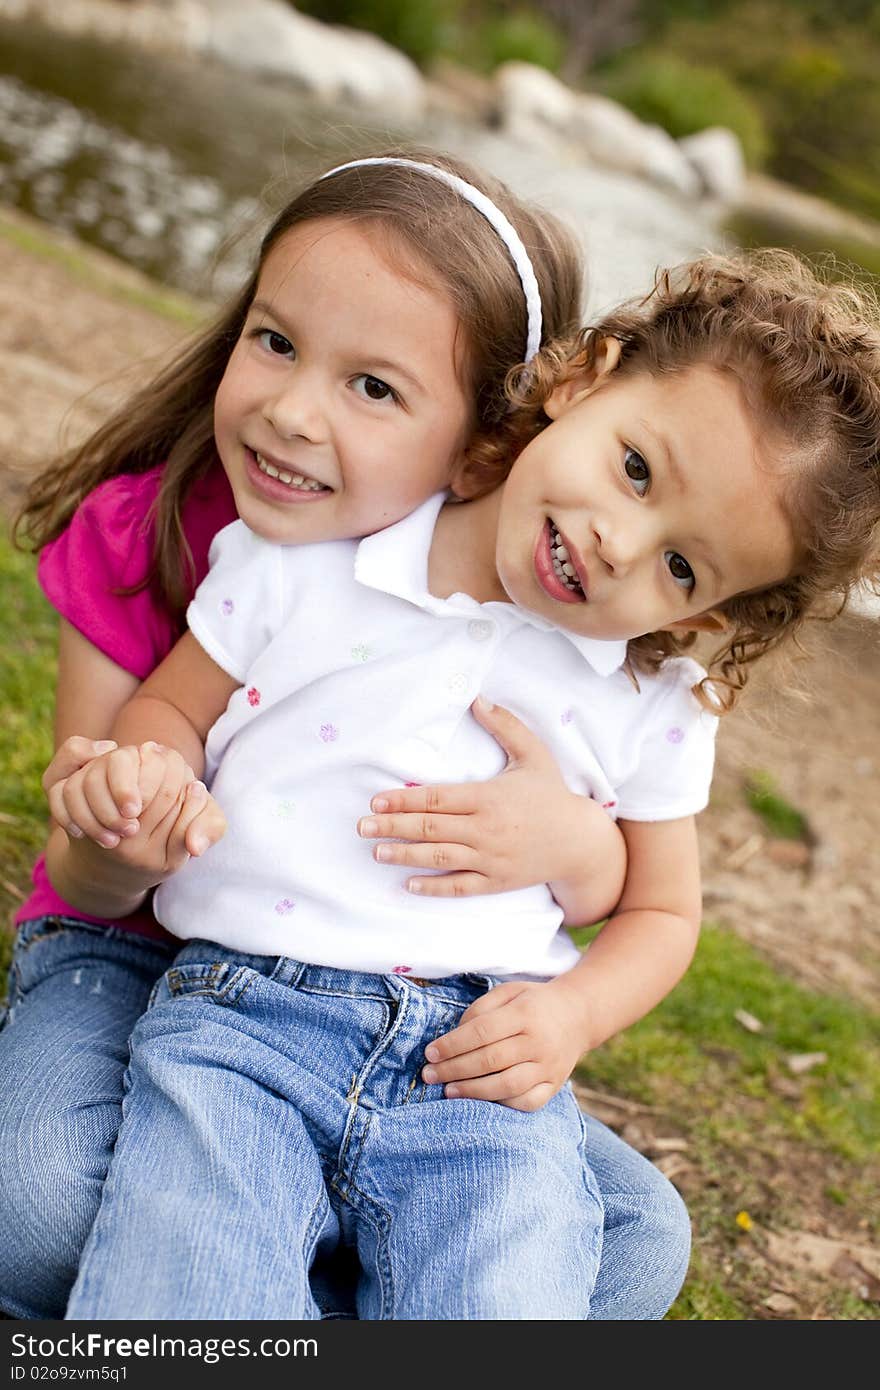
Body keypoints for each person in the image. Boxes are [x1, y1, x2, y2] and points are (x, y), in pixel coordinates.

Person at [54, 247, 880, 1320]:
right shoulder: (322, 554)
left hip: (478, 1074)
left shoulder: (660, 701)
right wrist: (150, 769)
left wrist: (572, 1016)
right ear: (587, 375)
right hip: (241, 1023)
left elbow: (663, 911)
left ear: (704, 618)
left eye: (682, 567)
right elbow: (172, 704)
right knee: (186, 1291)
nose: (618, 544)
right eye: (634, 469)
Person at [0, 150, 691, 1322]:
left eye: (373, 387)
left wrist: (569, 842)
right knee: (39, 1209)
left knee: (641, 1238)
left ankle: (297, 1247)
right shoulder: (179, 537)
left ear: (488, 446)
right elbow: (94, 876)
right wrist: (132, 805)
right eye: (273, 342)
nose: (289, 411)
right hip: (135, 946)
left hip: (384, 1000)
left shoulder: (524, 590)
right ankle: (304, 1269)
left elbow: (631, 878)